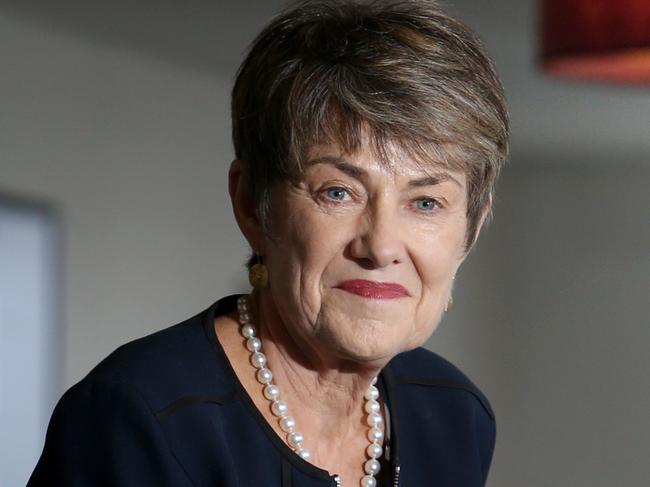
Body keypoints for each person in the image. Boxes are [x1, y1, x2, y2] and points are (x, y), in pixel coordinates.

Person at [28, 0, 509, 485]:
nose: (381, 247)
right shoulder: (142, 416)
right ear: (252, 205)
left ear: (471, 228)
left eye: (426, 202)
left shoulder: (454, 418)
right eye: (338, 193)